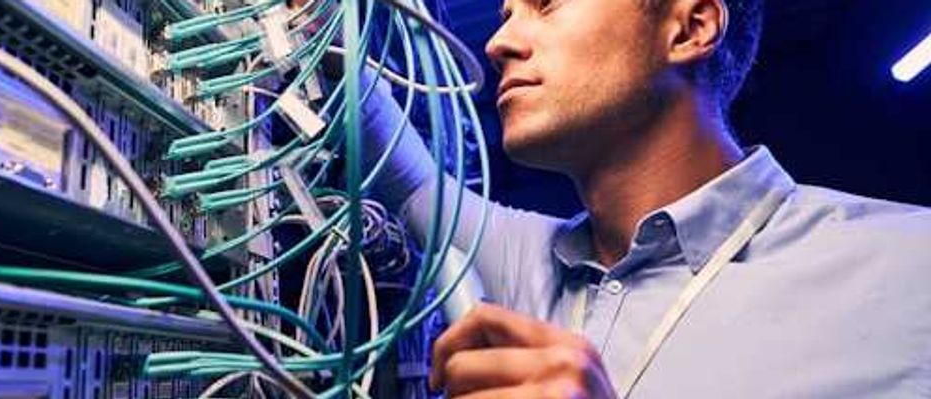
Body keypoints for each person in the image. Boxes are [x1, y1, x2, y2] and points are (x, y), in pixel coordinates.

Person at [359, 0, 931, 397]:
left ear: (690, 28)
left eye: (548, 3)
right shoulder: (530, 262)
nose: (498, 41)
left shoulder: (909, 267)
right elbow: (409, 176)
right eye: (508, 14)